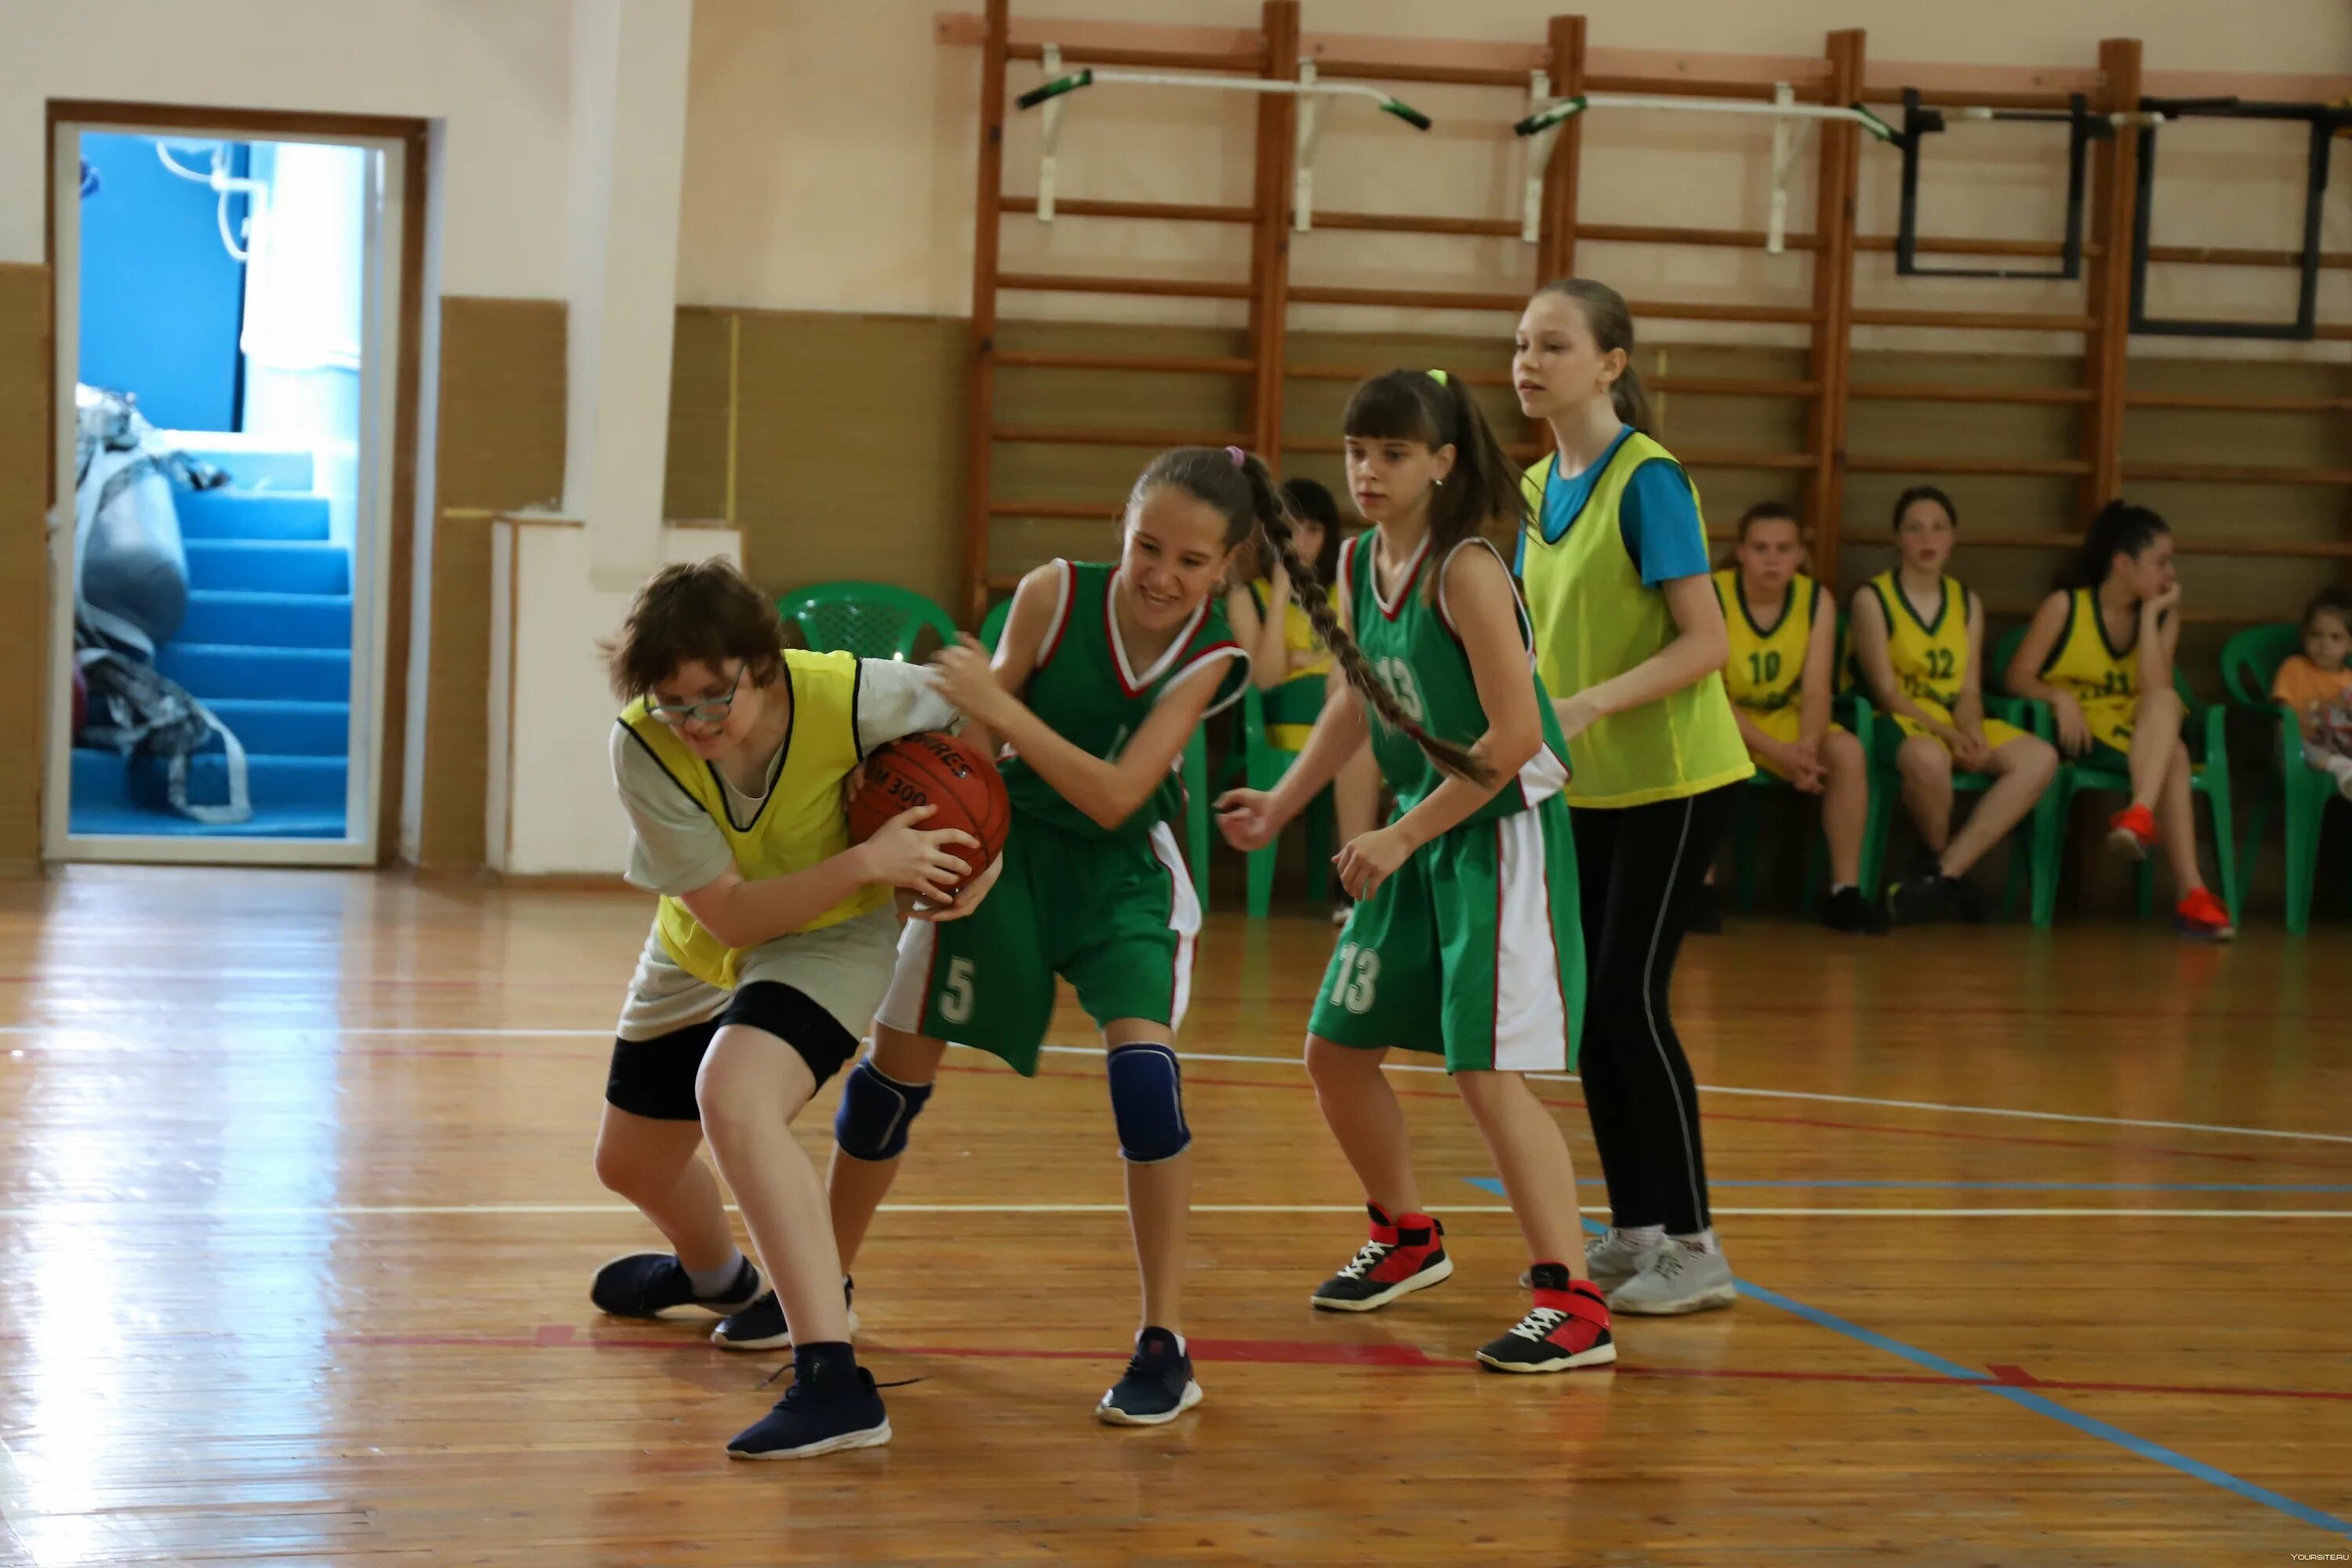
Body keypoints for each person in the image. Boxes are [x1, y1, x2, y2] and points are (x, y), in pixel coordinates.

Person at [800, 446, 1256, 1428]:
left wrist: (1001, 706)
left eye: (1190, 560)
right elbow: (972, 747)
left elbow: (1116, 794)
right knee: (889, 1081)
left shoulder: (1212, 654)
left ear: (1224, 567)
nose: (1162, 574)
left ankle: (1165, 1339)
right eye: (1148, 546)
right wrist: (930, 837)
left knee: (1145, 1081)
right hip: (1002, 851)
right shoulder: (1055, 593)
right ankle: (818, 1290)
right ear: (1122, 531)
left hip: (1120, 867)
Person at [1218, 369, 1613, 1374]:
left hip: (1497, 836)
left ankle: (1572, 1301)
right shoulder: (1357, 560)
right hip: (1421, 830)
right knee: (1335, 1050)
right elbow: (1360, 696)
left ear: (1442, 461)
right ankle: (1408, 1235)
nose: (1369, 469)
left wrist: (1399, 837)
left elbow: (1519, 733)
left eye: (1393, 451)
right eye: (1358, 449)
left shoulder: (1466, 569)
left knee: (1485, 1072)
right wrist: (1286, 800)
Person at [590, 558, 998, 1461]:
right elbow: (729, 910)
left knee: (733, 1096)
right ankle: (718, 1276)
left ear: (762, 662)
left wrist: (981, 856)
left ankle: (832, 1376)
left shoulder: (858, 697)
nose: (693, 721)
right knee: (630, 1163)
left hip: (829, 938)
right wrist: (867, 860)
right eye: (673, 701)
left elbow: (978, 727)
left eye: (712, 695)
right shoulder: (642, 745)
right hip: (706, 939)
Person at [1513, 278, 1750, 1316]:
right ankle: (1640, 1228)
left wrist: (1594, 703)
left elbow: (1709, 641)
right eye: (1521, 344)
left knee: (1626, 1001)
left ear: (1609, 363)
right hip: (1586, 788)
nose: (1528, 361)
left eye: (1552, 345)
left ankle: (1697, 1246)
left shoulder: (1648, 478)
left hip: (1676, 780)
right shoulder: (1532, 488)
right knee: (1589, 1019)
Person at [2005, 500, 2234, 938]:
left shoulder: (2164, 616)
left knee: (2166, 707)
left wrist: (2149, 618)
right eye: (2161, 562)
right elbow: (2016, 675)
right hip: (2083, 728)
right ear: (2123, 563)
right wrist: (2058, 697)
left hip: (2136, 725)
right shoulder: (2065, 607)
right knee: (2177, 756)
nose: (2171, 575)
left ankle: (2140, 815)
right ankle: (2192, 894)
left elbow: (2154, 689)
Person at [1851, 485, 2060, 926]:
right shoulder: (1873, 599)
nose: (1927, 539)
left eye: (1938, 529)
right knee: (1929, 761)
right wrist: (1951, 737)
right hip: (1901, 720)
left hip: (1955, 718)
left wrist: (1975, 734)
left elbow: (1968, 691)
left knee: (2040, 758)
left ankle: (1942, 874)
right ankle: (1945, 873)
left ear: (1953, 538)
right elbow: (1888, 693)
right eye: (1915, 529)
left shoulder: (1967, 602)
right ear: (1897, 539)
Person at [1715, 501, 1882, 934]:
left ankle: (1845, 891)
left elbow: (1815, 689)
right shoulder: (1713, 593)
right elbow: (1709, 697)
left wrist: (1806, 749)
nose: (1772, 559)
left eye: (1784, 549)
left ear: (1799, 555)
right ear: (1741, 552)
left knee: (1846, 750)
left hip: (1790, 721)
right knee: (1704, 748)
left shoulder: (1815, 599)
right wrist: (1779, 753)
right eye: (1761, 548)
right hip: (1727, 719)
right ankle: (1701, 889)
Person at [1224, 477, 1381, 923]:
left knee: (1359, 733)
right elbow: (1269, 676)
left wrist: (1309, 656)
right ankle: (1356, 883)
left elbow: (1345, 675)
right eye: (1291, 529)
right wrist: (1279, 593)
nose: (1303, 541)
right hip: (1280, 730)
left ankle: (1355, 885)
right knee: (1356, 733)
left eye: (1314, 530)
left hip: (1345, 719)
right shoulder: (1245, 593)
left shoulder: (1344, 589)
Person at [2270, 589, 2352, 800]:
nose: (2324, 645)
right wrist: (2323, 707)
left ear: (2350, 645)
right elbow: (2284, 718)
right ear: (2305, 635)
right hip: (2302, 744)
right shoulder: (2294, 668)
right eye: (2316, 635)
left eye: (2336, 638)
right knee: (2289, 737)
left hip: (2341, 743)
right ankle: (2340, 768)